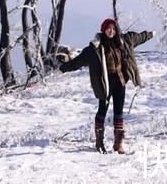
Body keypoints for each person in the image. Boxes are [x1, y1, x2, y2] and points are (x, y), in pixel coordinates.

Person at [59, 17, 154, 154]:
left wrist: (150, 34)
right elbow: (78, 61)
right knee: (102, 111)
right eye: (109, 28)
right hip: (105, 84)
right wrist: (62, 69)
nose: (111, 31)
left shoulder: (123, 41)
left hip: (120, 81)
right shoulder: (96, 47)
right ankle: (99, 142)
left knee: (119, 113)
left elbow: (138, 38)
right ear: (103, 30)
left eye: (114, 29)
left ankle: (118, 144)